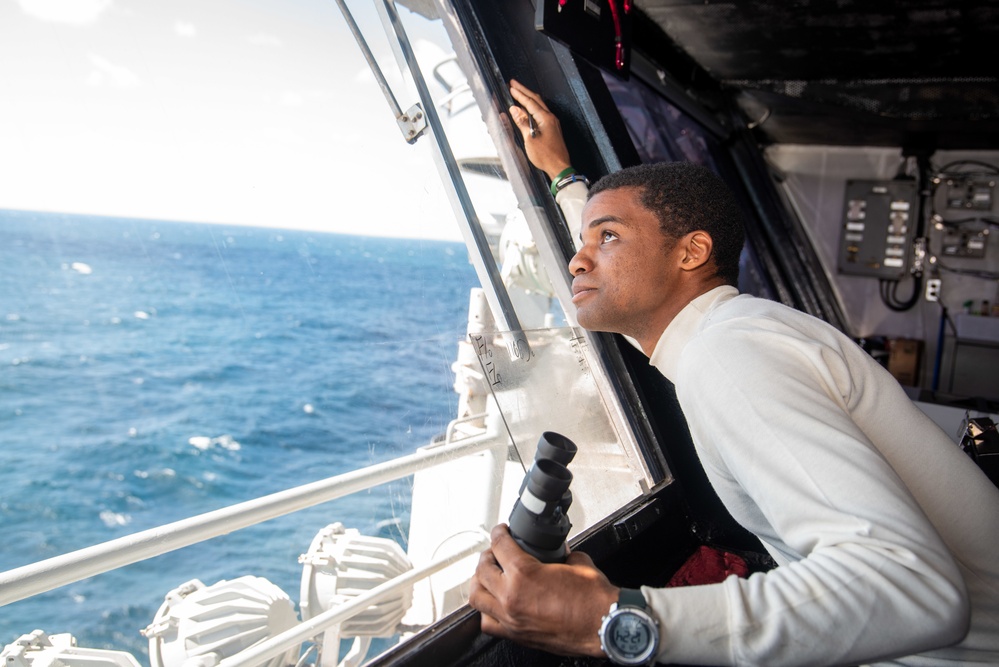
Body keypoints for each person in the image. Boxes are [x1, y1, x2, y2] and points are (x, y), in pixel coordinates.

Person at [467, 81, 999, 666]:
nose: (577, 258)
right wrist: (564, 178)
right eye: (583, 239)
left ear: (692, 253)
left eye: (608, 237)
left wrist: (613, 620)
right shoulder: (734, 333)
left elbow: (911, 589)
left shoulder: (730, 356)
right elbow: (617, 260)